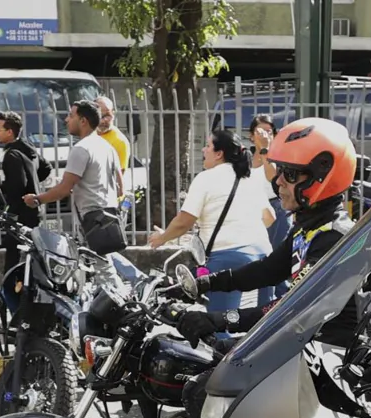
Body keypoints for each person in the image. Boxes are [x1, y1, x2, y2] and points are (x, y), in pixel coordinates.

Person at [172, 117, 360, 347]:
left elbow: (289, 307)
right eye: (280, 171)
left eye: (290, 173)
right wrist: (205, 282)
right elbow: (267, 270)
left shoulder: (333, 237)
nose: (279, 181)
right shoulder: (310, 228)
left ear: (322, 178)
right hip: (302, 344)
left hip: (326, 357)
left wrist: (219, 319)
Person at [148, 128, 277, 321]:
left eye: (208, 146)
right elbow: (270, 218)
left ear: (219, 154)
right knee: (263, 327)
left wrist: (162, 238)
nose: (203, 150)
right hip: (264, 255)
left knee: (220, 324)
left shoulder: (206, 178)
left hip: (228, 259)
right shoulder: (248, 178)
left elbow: (184, 221)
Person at [23, 101, 125, 248]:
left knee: (100, 268)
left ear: (83, 121)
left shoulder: (81, 149)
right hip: (110, 218)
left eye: (71, 116)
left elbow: (63, 189)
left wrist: (37, 200)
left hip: (92, 219)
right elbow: (119, 189)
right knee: (96, 265)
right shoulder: (108, 148)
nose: (66, 120)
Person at [0, 110, 52, 281]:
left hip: (20, 211)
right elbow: (46, 168)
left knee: (13, 250)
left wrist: (2, 186)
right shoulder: (28, 148)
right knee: (33, 249)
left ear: (10, 132)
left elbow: (16, 186)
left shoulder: (12, 155)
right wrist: (34, 184)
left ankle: (11, 285)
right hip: (34, 209)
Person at [250, 114, 291, 247]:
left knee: (275, 250)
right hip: (253, 209)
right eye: (260, 132)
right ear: (251, 136)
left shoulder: (278, 157)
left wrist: (264, 148)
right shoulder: (246, 158)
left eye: (269, 132)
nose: (265, 135)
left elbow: (272, 177)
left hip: (275, 208)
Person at [95, 95, 131, 174]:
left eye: (107, 116)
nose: (103, 121)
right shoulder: (89, 135)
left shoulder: (120, 141)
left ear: (113, 113)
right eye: (99, 116)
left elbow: (119, 175)